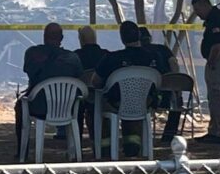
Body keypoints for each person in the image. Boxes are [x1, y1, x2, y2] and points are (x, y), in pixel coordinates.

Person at [14, 23, 83, 157]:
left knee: (20, 106)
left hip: (39, 107)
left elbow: (29, 72)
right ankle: (76, 150)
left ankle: (22, 151)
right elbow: (79, 76)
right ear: (61, 38)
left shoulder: (32, 54)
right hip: (67, 108)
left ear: (44, 36)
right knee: (80, 105)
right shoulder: (72, 58)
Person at [93, 21, 160, 157]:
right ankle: (133, 146)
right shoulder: (154, 57)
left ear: (122, 38)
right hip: (145, 103)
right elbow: (161, 81)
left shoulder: (112, 58)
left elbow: (95, 82)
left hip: (116, 104)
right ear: (139, 35)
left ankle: (106, 149)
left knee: (98, 103)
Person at [191, 0, 220, 145]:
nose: (197, 13)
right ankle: (215, 129)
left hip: (219, 62)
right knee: (215, 97)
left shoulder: (216, 19)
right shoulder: (218, 17)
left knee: (219, 96)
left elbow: (218, 44)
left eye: (198, 9)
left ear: (205, 5)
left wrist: (212, 61)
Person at [139, 27, 181, 143]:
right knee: (177, 102)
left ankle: (140, 135)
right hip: (166, 90)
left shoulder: (137, 53)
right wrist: (175, 82)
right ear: (150, 38)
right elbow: (173, 64)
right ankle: (169, 135)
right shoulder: (163, 49)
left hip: (144, 93)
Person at [75, 26, 108, 143]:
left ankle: (75, 141)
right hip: (104, 99)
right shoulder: (106, 56)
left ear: (81, 39)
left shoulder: (75, 57)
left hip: (81, 99)